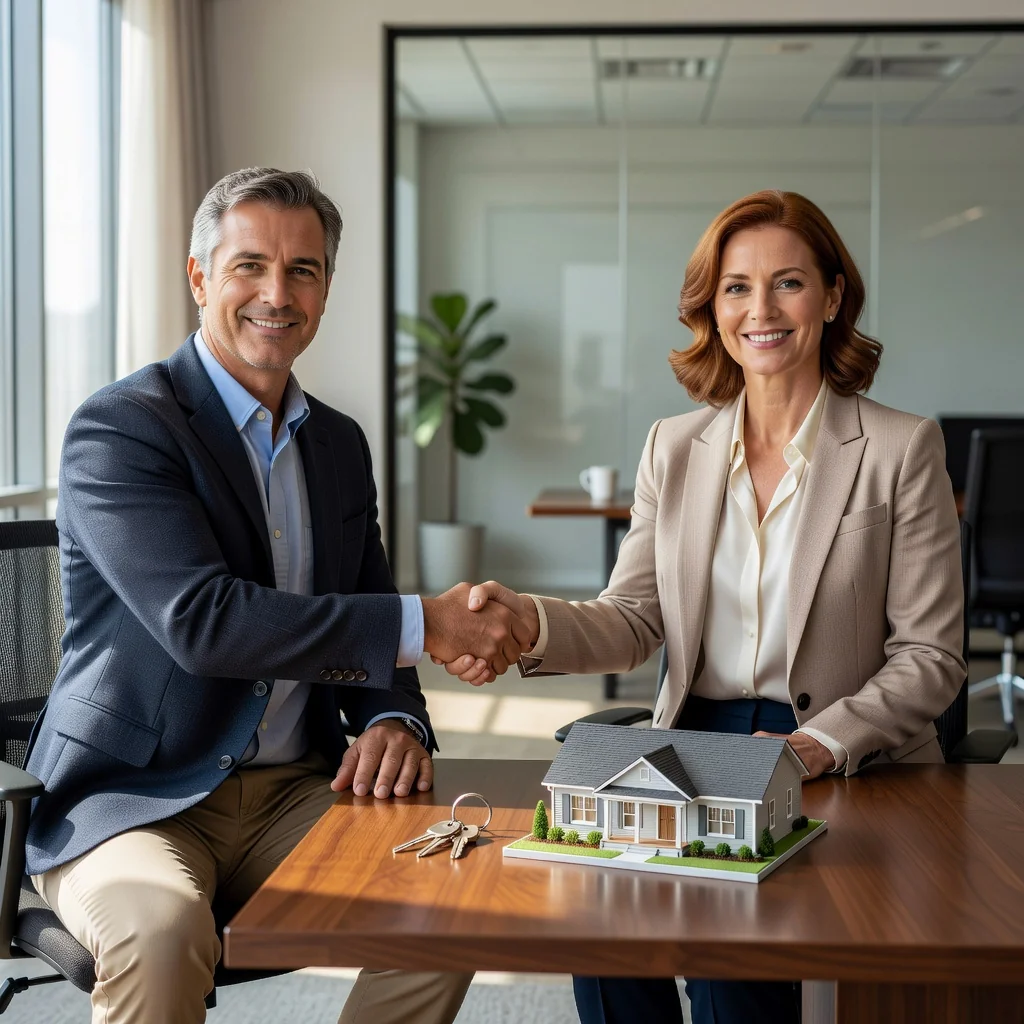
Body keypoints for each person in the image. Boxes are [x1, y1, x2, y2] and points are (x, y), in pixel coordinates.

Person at [440, 189, 965, 1024]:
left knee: (731, 966)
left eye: (788, 283)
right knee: (604, 930)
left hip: (839, 748)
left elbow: (931, 658)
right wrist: (525, 622)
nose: (761, 309)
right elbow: (633, 618)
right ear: (711, 308)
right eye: (735, 287)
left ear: (832, 298)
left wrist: (815, 747)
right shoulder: (673, 447)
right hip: (694, 737)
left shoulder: (900, 449)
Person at [24, 167, 529, 1024]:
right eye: (249, 265)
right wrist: (429, 622)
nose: (276, 292)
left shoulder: (337, 442)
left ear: (326, 290)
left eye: (304, 270)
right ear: (199, 278)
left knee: (454, 885)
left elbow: (365, 602)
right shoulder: (123, 428)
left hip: (299, 790)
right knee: (159, 928)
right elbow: (205, 624)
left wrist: (391, 720)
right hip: (135, 796)